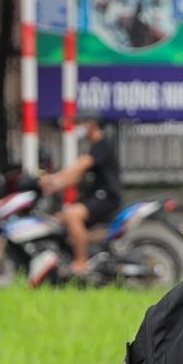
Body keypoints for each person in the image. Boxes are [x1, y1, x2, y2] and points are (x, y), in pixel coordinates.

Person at [39, 117, 123, 276]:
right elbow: (77, 178)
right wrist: (54, 186)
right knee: (57, 219)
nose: (79, 127)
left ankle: (80, 263)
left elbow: (78, 167)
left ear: (92, 124)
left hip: (106, 197)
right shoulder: (94, 147)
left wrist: (52, 178)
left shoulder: (102, 145)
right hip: (96, 196)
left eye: (81, 123)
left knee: (72, 214)